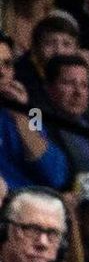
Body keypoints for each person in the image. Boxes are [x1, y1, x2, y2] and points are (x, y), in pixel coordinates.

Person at [0, 32, 69, 191]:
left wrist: (20, 115)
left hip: (33, 199)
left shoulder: (33, 112)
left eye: (7, 64)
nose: (2, 72)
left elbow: (55, 174)